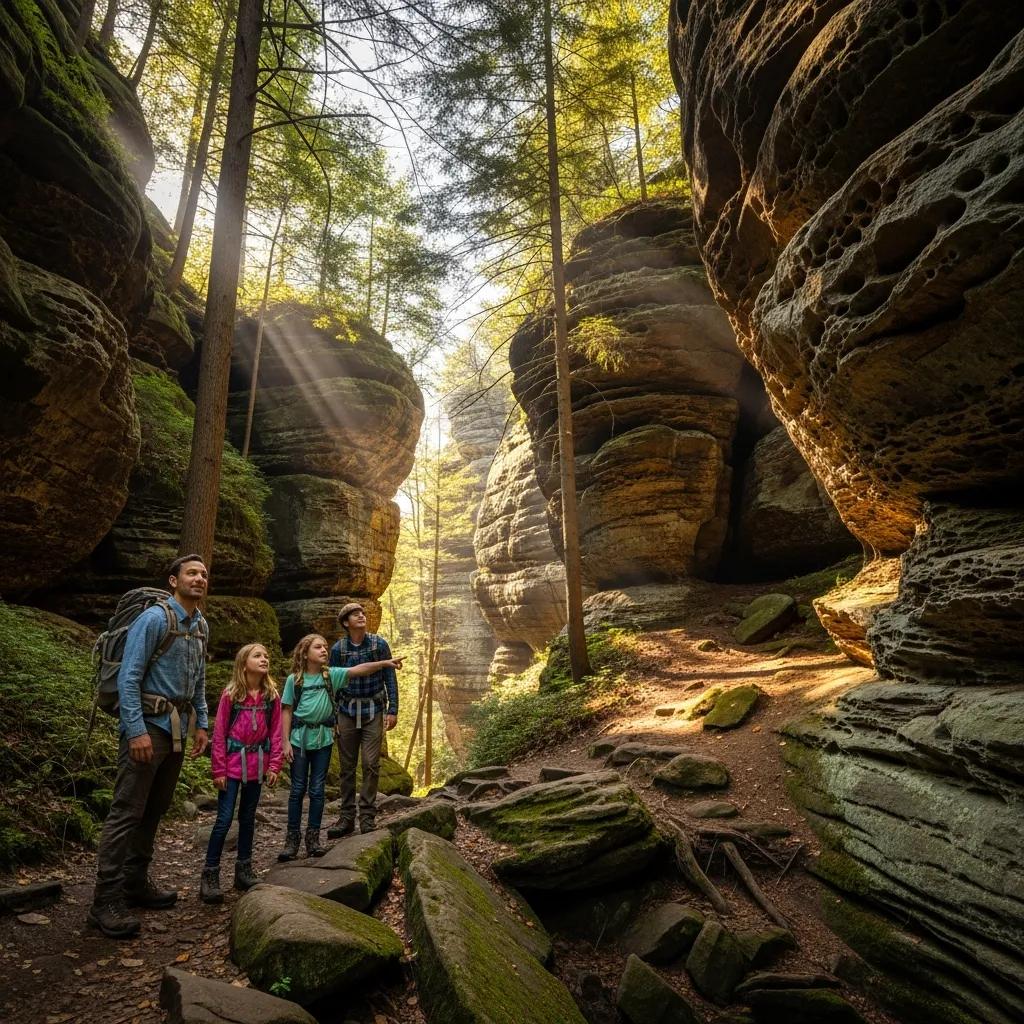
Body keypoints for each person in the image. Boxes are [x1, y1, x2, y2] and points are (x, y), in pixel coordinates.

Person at [88, 554, 210, 939]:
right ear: (173, 581)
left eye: (204, 574)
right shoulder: (155, 619)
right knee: (127, 811)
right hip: (148, 728)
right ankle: (104, 901)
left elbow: (199, 680)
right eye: (191, 573)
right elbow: (129, 676)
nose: (199, 579)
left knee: (154, 810)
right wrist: (136, 730)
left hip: (176, 729)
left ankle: (135, 883)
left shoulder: (200, 625)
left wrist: (202, 724)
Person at [278, 633, 402, 860]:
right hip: (299, 741)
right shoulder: (294, 680)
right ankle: (291, 840)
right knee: (297, 790)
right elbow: (286, 710)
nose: (325, 650)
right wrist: (284, 742)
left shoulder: (331, 675)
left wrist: (385, 663)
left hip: (323, 740)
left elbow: (360, 670)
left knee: (317, 790)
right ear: (306, 654)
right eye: (318, 648)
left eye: (325, 647)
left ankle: (313, 839)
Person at [200, 643, 282, 904]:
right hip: (232, 766)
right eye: (257, 655)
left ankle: (243, 869)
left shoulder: (271, 697)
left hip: (257, 765)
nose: (264, 658)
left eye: (266, 655)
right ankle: (210, 875)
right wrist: (218, 769)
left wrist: (274, 765)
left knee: (248, 818)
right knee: (224, 820)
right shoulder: (231, 695)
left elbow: (277, 733)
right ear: (243, 662)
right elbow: (220, 734)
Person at [326, 603, 399, 837]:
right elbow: (333, 684)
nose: (361, 616)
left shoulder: (379, 644)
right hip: (346, 711)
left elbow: (389, 676)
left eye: (362, 613)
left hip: (374, 710)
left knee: (370, 763)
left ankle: (367, 816)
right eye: (355, 614)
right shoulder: (338, 649)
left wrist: (393, 709)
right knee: (347, 767)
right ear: (346, 623)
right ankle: (346, 817)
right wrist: (333, 716)